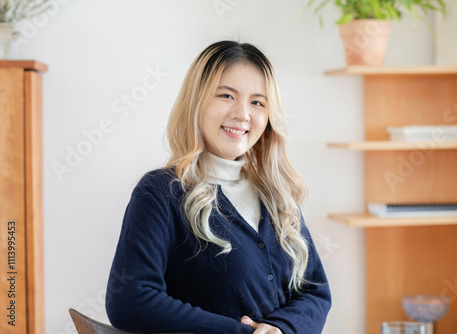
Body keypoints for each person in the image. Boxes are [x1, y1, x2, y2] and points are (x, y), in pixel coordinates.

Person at [105, 40, 331, 334]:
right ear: (196, 101)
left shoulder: (277, 195)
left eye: (257, 102)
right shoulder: (161, 193)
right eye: (226, 95)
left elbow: (315, 292)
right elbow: (130, 300)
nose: (242, 114)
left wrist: (281, 328)